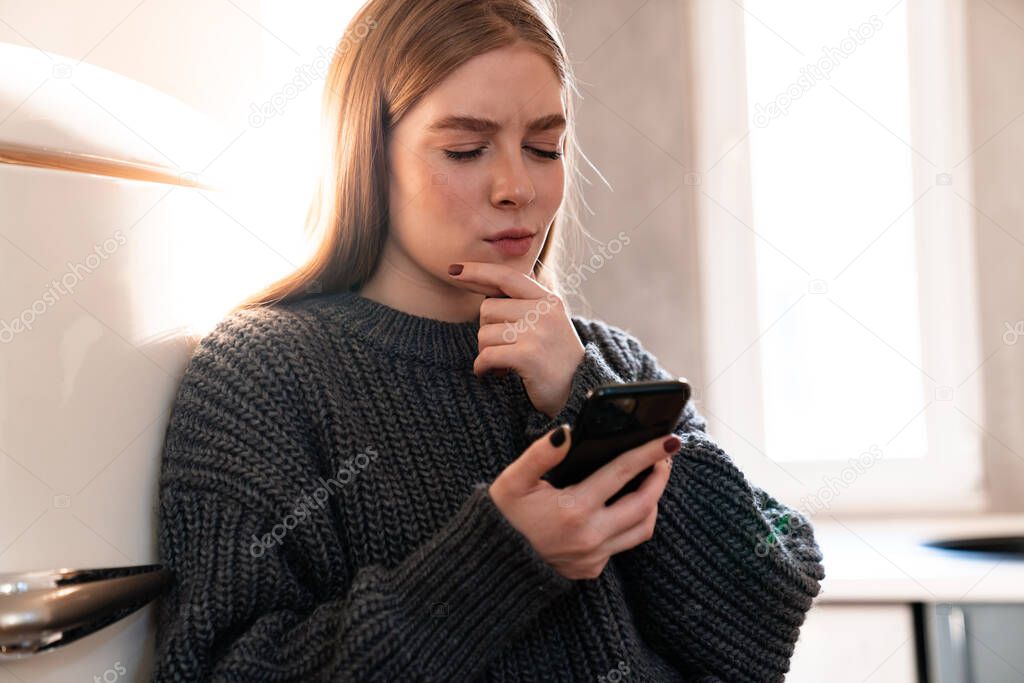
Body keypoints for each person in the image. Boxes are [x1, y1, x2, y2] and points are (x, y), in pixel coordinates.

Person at [152, 0, 825, 680]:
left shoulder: (607, 360)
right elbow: (219, 670)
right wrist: (500, 560)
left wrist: (583, 391)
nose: (518, 186)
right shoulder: (262, 376)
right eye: (467, 149)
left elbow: (764, 619)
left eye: (544, 147)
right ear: (366, 155)